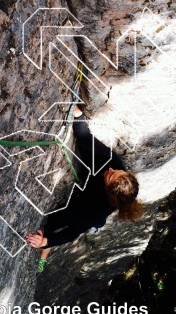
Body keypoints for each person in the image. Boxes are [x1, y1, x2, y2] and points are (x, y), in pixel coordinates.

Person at [26, 105, 142, 272]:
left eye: (110, 176)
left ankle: (44, 255)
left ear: (108, 189)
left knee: (55, 221)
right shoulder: (114, 163)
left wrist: (44, 242)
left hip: (88, 208)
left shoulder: (97, 211)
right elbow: (87, 139)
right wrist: (78, 116)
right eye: (117, 172)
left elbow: (73, 232)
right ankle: (45, 250)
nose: (110, 170)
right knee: (51, 223)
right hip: (87, 192)